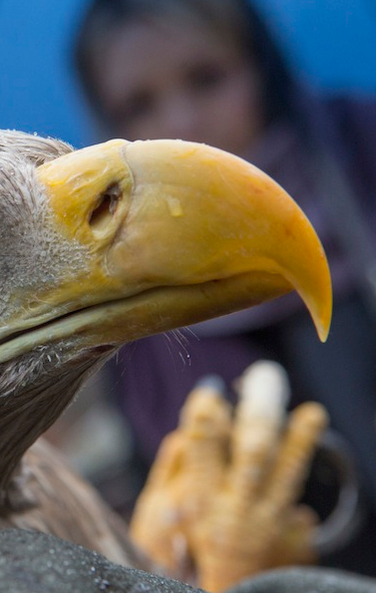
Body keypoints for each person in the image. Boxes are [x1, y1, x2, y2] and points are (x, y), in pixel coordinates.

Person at [72, 0, 376, 575]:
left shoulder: (362, 154)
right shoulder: (118, 296)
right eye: (139, 104)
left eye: (207, 78)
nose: (182, 122)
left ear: (262, 68)